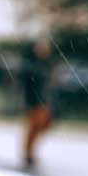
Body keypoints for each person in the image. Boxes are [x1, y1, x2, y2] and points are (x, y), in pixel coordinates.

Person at [20, 37, 56, 168]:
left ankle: (29, 152)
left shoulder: (47, 64)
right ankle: (28, 153)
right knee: (34, 127)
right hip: (35, 101)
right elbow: (29, 84)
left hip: (44, 101)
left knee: (42, 126)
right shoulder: (32, 65)